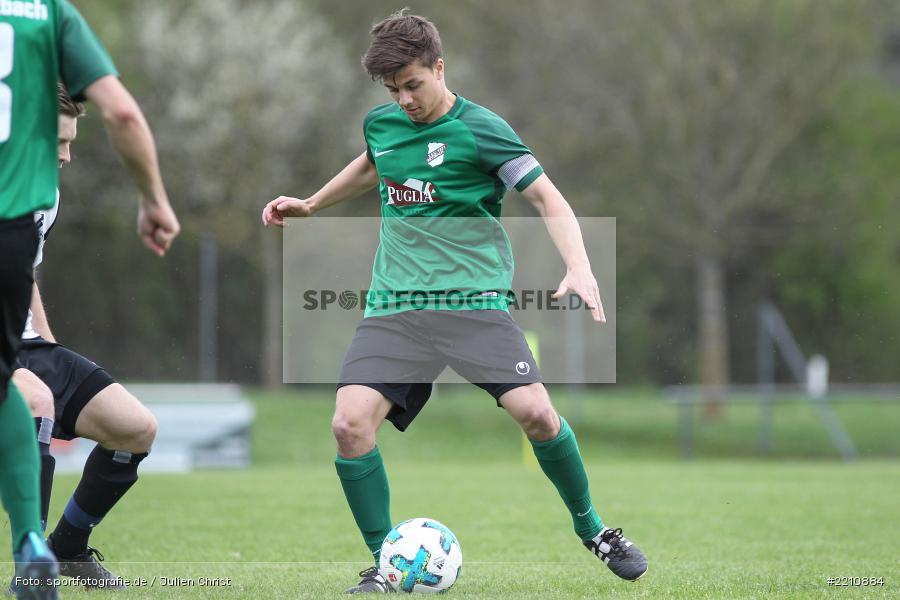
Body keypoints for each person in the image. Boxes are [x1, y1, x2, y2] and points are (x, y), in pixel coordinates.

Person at [263, 10, 648, 593]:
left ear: (439, 68)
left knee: (539, 417)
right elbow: (374, 164)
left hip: (473, 307)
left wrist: (579, 265)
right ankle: (387, 565)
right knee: (348, 425)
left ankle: (594, 530)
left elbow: (546, 197)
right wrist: (313, 204)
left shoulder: (483, 130)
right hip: (395, 310)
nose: (405, 101)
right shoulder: (383, 124)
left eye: (413, 85)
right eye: (394, 91)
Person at [1, 2, 178, 598]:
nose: (66, 155)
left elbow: (23, 270)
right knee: (33, 399)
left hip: (24, 339)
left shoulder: (44, 187)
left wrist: (44, 342)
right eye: (57, 139)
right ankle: (31, 566)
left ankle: (66, 549)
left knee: (136, 428)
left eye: (72, 141)